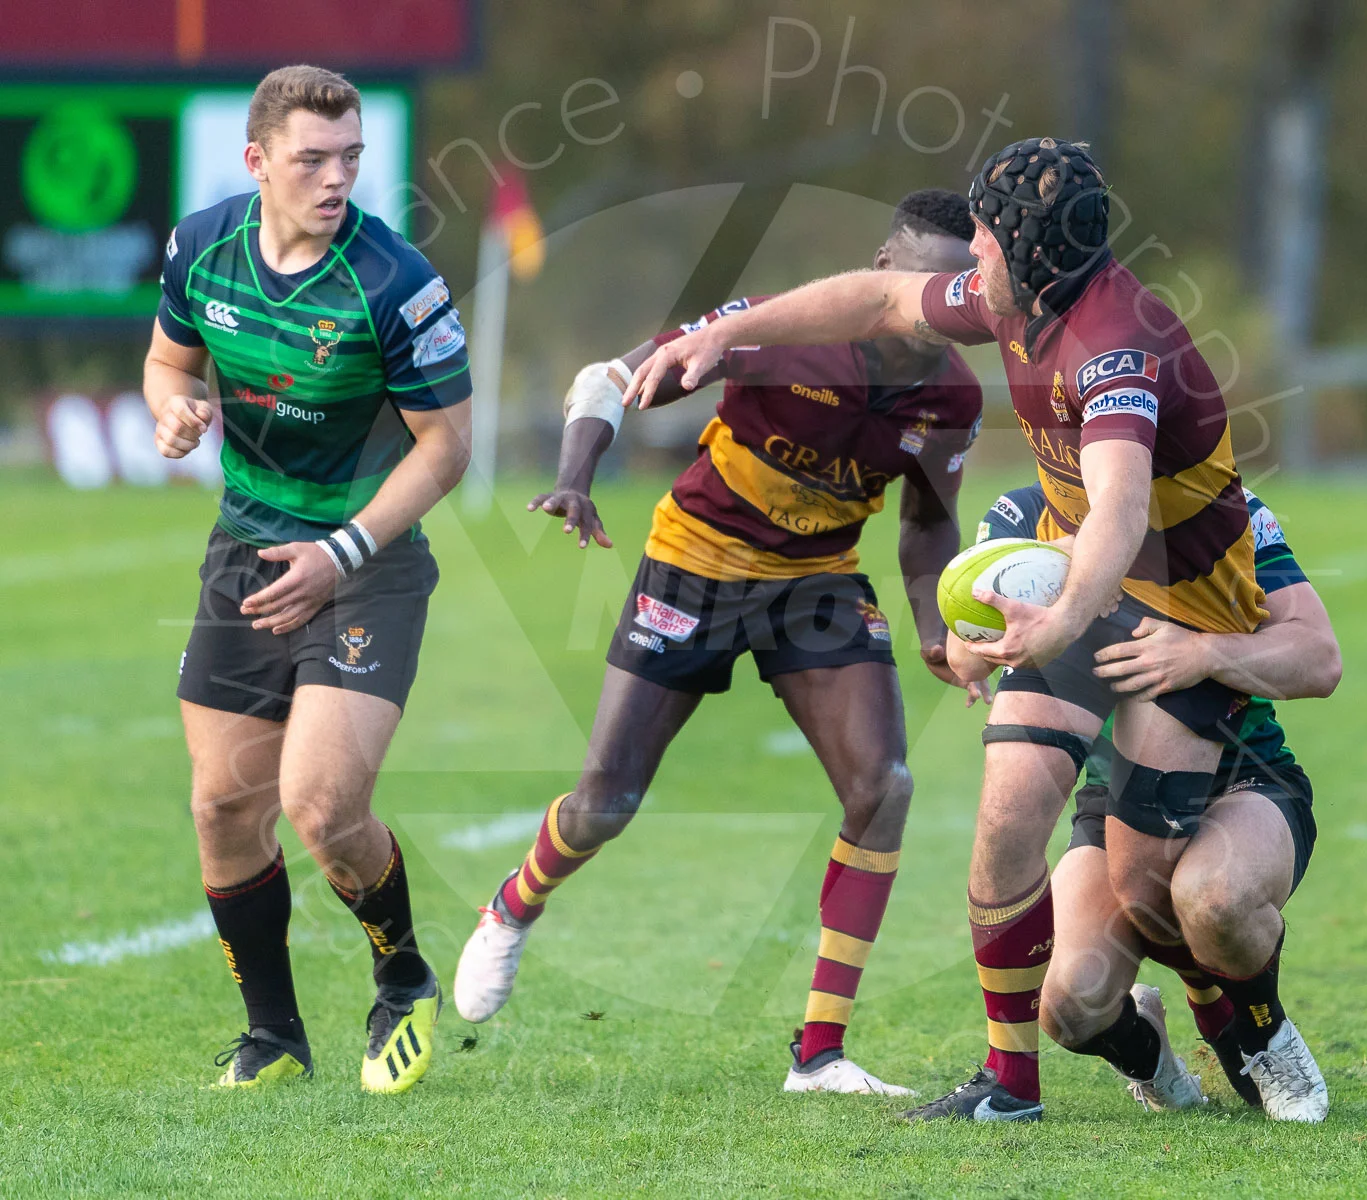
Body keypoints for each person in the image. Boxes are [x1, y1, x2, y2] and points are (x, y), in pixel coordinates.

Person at [627, 137, 1297, 1123]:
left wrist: (1061, 620)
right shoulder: (1012, 296)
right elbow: (875, 298)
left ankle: (1249, 1024)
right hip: (1080, 586)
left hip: (1181, 605)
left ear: (1028, 252)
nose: (970, 255)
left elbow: (1118, 510)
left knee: (1155, 892)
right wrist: (725, 334)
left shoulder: (1116, 346)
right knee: (1007, 810)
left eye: (982, 237)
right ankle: (1010, 1086)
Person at [454, 190, 984, 1095]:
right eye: (926, 283)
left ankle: (819, 1054)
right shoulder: (779, 331)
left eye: (960, 290)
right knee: (607, 802)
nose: (940, 308)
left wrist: (937, 630)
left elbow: (928, 523)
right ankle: (512, 904)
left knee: (883, 787)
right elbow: (608, 379)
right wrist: (576, 478)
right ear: (882, 270)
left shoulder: (954, 396)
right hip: (695, 562)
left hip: (817, 581)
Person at [144, 65, 472, 1092]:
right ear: (257, 161)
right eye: (312, 160)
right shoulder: (203, 247)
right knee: (222, 808)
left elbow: (447, 447)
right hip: (246, 552)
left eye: (351, 159)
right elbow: (168, 362)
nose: (337, 179)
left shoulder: (395, 282)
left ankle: (402, 975)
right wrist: (172, 407)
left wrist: (344, 553)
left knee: (322, 807)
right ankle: (273, 1035)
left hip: (367, 563)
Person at [977, 482, 1338, 1121]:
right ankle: (1153, 1058)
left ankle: (1264, 1032)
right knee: (1069, 1008)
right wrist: (994, 630)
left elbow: (1320, 659)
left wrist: (1205, 653)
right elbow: (962, 641)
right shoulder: (1021, 515)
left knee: (1214, 898)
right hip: (1113, 799)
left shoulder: (1220, 506)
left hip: (1244, 781)